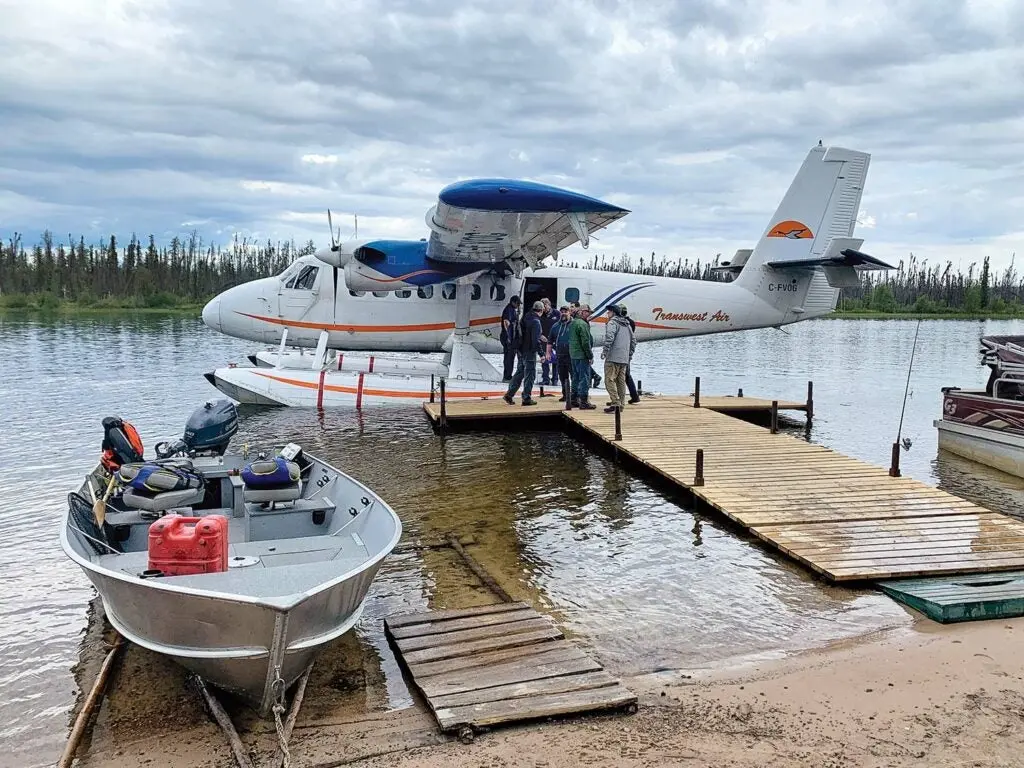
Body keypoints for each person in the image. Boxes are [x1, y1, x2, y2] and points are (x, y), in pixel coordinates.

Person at [503, 300, 544, 406]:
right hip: (530, 351)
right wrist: (541, 353)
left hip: (520, 351)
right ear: (541, 310)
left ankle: (509, 394)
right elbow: (536, 340)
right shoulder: (536, 322)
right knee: (530, 375)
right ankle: (526, 398)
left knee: (519, 373)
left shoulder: (525, 317)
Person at [600, 304, 636, 413]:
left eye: (609, 312)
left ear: (613, 313)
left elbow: (609, 337)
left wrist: (605, 352)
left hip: (613, 358)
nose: (607, 314)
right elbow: (634, 341)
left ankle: (615, 403)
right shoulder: (627, 324)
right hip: (624, 359)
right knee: (621, 382)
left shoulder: (612, 323)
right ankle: (621, 404)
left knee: (609, 380)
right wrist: (629, 355)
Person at [568, 305, 596, 409]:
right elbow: (585, 342)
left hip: (573, 355)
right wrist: (590, 355)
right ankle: (584, 402)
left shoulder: (573, 323)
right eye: (588, 312)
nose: (589, 314)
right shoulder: (582, 324)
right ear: (582, 312)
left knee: (575, 377)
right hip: (582, 355)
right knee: (584, 377)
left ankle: (574, 399)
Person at [547, 305, 573, 401]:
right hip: (560, 355)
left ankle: (574, 395)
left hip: (572, 355)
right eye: (562, 312)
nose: (563, 313)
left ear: (569, 312)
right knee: (562, 376)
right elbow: (550, 341)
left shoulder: (574, 324)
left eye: (565, 312)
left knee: (574, 375)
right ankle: (565, 394)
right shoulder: (555, 326)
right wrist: (548, 353)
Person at [617, 305, 641, 404]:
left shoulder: (622, 323)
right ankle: (634, 395)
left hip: (622, 352)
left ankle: (619, 399)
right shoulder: (631, 322)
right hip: (627, 352)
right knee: (626, 375)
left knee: (620, 375)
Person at [499, 295, 521, 380]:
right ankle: (507, 376)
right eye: (518, 304)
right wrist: (508, 337)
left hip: (510, 337)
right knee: (509, 358)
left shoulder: (512, 310)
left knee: (510, 357)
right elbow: (506, 323)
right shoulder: (509, 310)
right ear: (513, 302)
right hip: (508, 337)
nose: (518, 306)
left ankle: (508, 375)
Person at [539, 298, 559, 386]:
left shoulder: (556, 313)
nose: (543, 308)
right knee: (545, 360)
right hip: (544, 340)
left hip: (555, 340)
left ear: (549, 305)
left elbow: (561, 325)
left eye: (544, 305)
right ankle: (545, 378)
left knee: (556, 361)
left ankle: (555, 379)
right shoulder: (540, 315)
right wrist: (540, 335)